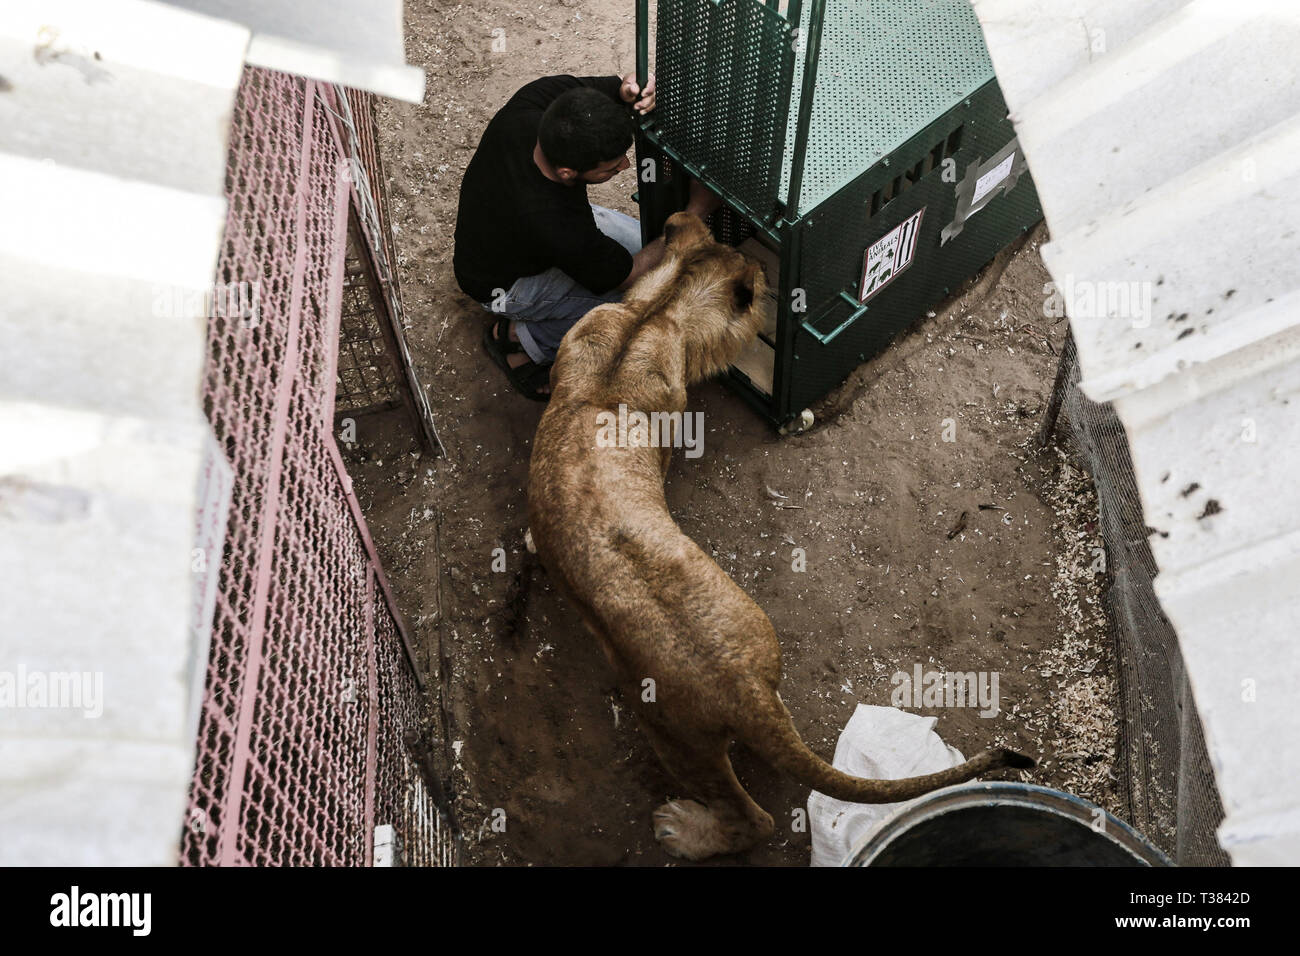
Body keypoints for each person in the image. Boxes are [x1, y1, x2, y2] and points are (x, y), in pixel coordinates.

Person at [453, 71, 720, 400]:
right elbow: (627, 276)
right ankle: (519, 340)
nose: (623, 166)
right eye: (610, 167)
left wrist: (626, 89)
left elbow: (600, 93)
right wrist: (697, 210)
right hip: (505, 282)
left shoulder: (534, 105)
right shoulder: (552, 222)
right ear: (567, 173)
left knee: (655, 251)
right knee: (650, 299)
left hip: (505, 235)